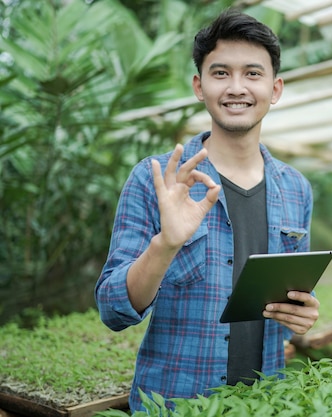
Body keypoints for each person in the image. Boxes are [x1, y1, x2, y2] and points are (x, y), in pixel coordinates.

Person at [95, 9, 319, 412]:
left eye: (253, 73)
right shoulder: (156, 180)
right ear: (199, 86)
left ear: (276, 87)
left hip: (265, 403)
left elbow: (293, 296)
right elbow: (113, 310)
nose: (237, 87)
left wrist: (302, 313)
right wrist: (164, 246)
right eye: (220, 73)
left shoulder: (296, 188)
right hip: (174, 404)